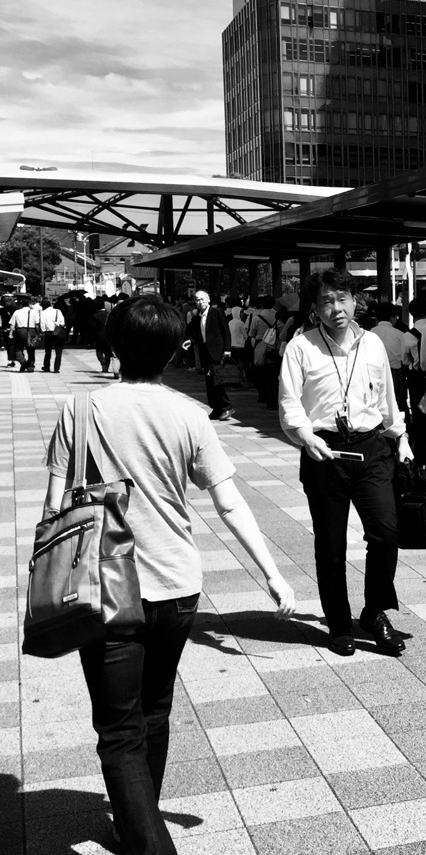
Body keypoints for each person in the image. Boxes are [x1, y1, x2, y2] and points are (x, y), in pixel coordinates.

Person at [42, 296, 295, 855]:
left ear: (111, 345)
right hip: (178, 588)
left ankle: (147, 842)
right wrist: (272, 573)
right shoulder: (188, 413)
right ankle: (137, 826)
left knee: (117, 730)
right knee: (154, 712)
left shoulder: (80, 411)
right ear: (178, 348)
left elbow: (56, 506)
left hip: (106, 588)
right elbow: (229, 503)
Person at [279, 269, 415, 657]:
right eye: (326, 301)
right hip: (325, 451)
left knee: (386, 533)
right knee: (331, 543)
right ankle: (339, 623)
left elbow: (388, 397)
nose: (335, 308)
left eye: (342, 299)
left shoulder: (372, 344)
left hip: (372, 447)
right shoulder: (301, 348)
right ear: (315, 308)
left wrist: (400, 437)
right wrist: (305, 437)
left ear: (356, 302)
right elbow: (289, 403)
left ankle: (375, 612)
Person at [185, 290, 233, 421]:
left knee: (217, 380)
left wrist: (227, 349)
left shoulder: (217, 313)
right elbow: (198, 334)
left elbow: (226, 332)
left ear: (208, 300)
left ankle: (226, 406)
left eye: (202, 299)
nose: (200, 302)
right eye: (197, 300)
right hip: (205, 351)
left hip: (217, 351)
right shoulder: (198, 317)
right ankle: (216, 408)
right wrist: (191, 341)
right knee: (209, 381)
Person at [402, 295, 426, 465]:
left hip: (415, 378)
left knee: (418, 414)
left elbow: (405, 359)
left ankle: (422, 453)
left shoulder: (407, 335)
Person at [370, 302, 408, 412]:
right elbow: (404, 357)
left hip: (375, 372)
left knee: (378, 403)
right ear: (392, 316)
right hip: (395, 373)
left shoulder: (371, 333)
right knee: (395, 402)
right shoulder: (400, 334)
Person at [9, 296, 40, 372]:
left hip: (20, 331)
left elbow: (12, 324)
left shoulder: (17, 312)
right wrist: (38, 333)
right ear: (29, 304)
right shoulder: (34, 312)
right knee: (31, 349)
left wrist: (10, 333)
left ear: (21, 304)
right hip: (32, 331)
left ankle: (24, 363)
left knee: (18, 349)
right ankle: (30, 366)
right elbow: (37, 324)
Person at [40, 298, 67, 374]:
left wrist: (43, 331)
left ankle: (46, 367)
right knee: (58, 351)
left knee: (48, 351)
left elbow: (42, 324)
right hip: (58, 332)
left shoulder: (43, 313)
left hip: (48, 333)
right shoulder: (58, 311)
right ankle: (56, 368)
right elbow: (62, 322)